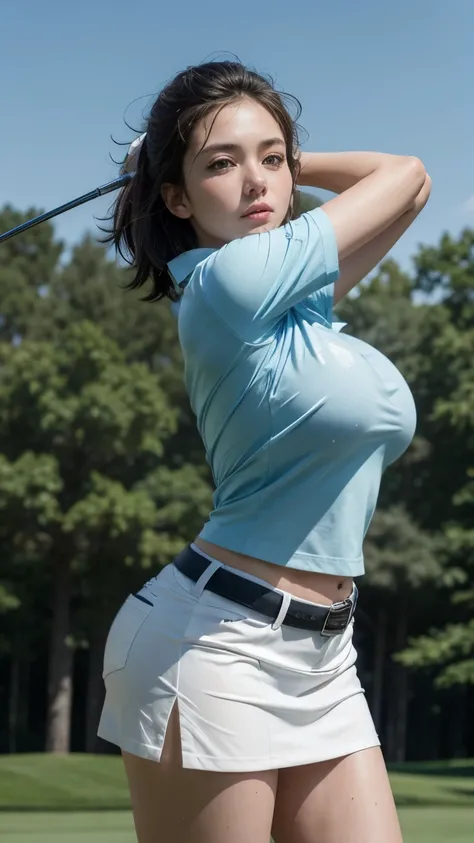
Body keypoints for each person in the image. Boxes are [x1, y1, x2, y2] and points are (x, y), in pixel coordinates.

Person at [97, 60, 431, 843]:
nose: (257, 183)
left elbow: (406, 191)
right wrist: (278, 160)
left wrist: (255, 159)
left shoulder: (290, 306)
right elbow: (407, 172)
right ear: (176, 198)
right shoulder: (230, 285)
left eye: (272, 159)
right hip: (211, 645)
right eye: (221, 165)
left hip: (322, 653)